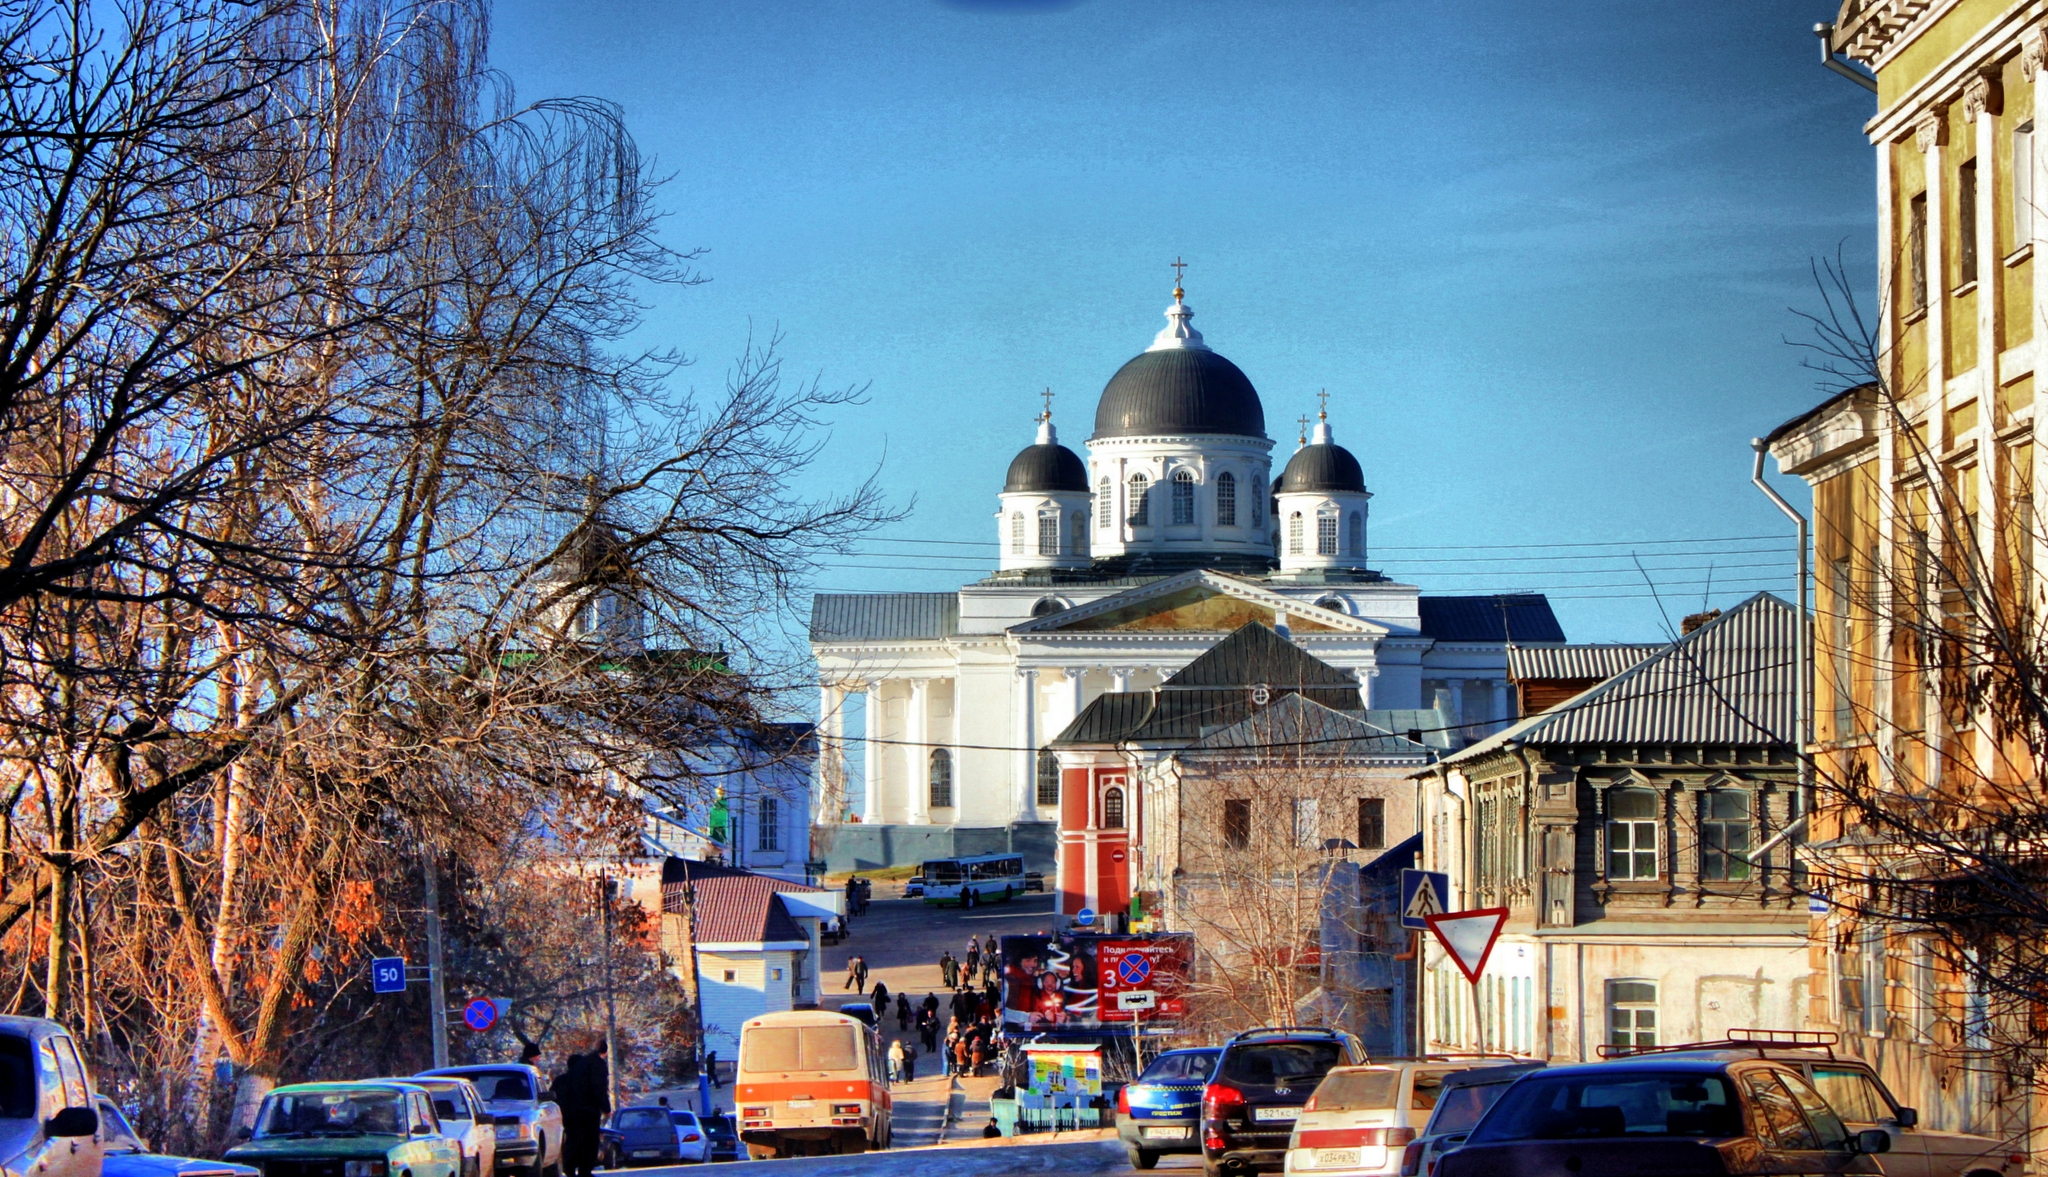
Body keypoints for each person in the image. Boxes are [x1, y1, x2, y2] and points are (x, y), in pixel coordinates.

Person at [559, 1041, 610, 1177]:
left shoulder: (581, 1064)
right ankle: (584, 1171)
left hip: (573, 1109)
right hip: (589, 1109)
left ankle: (569, 1167)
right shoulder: (597, 1065)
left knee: (576, 1139)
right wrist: (606, 1108)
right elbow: (599, 1088)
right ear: (605, 1052)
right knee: (590, 1141)